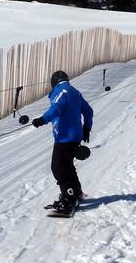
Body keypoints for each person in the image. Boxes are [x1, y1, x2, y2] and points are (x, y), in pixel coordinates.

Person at [32, 70, 93, 212]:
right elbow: (88, 111)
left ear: (54, 82)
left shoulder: (61, 91)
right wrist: (87, 128)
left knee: (59, 168)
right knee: (67, 165)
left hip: (65, 137)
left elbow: (57, 108)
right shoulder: (75, 92)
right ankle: (77, 192)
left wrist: (42, 120)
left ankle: (69, 199)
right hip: (75, 136)